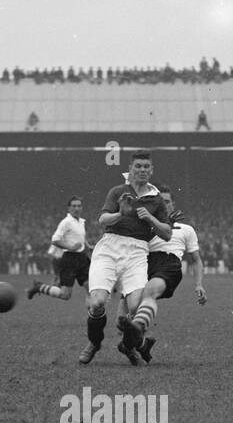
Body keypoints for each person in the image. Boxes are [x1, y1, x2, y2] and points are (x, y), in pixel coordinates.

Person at [80, 151, 173, 366]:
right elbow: (103, 219)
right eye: (138, 166)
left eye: (146, 167)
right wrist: (121, 213)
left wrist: (149, 217)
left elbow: (167, 233)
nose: (142, 170)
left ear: (151, 170)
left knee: (135, 308)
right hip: (110, 247)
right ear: (131, 169)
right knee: (97, 302)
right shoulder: (118, 191)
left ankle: (130, 346)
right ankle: (94, 342)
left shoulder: (156, 200)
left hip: (137, 252)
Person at [121, 187, 206, 365]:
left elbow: (196, 260)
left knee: (150, 292)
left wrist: (198, 284)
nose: (164, 205)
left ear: (173, 204)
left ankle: (136, 333)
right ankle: (141, 345)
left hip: (168, 264)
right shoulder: (145, 225)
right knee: (122, 319)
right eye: (161, 202)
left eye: (167, 202)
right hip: (143, 264)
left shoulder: (186, 229)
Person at [27, 196, 89, 301]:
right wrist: (71, 247)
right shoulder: (66, 222)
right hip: (70, 259)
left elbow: (80, 237)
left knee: (91, 287)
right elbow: (55, 240)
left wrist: (88, 245)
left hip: (82, 259)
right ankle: (39, 287)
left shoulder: (81, 222)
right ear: (69, 208)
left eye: (79, 206)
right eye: (74, 206)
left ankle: (94, 314)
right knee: (65, 295)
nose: (77, 208)